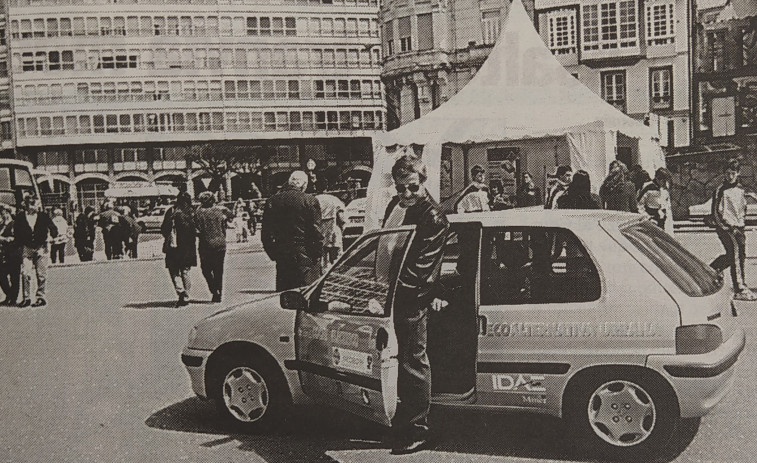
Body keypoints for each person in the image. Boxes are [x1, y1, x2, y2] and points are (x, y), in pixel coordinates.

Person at [381, 155, 450, 455]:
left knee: (412, 361)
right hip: (391, 297)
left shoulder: (432, 217)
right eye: (400, 188)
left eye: (411, 188)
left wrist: (390, 298)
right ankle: (402, 420)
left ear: (423, 182)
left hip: (409, 299)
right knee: (396, 362)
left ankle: (418, 428)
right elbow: (384, 249)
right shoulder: (395, 207)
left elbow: (420, 271)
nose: (406, 194)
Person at [262, 171, 323, 291]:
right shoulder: (310, 200)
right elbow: (316, 231)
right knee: (306, 294)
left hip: (283, 253)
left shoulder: (272, 201)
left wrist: (273, 253)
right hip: (306, 253)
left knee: (285, 296)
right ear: (304, 185)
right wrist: (317, 253)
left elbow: (266, 233)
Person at [710, 159, 757, 301]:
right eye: (728, 173)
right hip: (726, 228)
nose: (730, 176)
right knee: (735, 254)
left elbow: (743, 208)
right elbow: (716, 213)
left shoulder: (742, 189)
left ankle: (711, 270)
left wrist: (741, 224)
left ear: (738, 173)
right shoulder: (720, 190)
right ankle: (740, 288)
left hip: (739, 226)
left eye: (733, 173)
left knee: (739, 255)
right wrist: (728, 227)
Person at [14, 195, 57, 308]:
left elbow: (53, 228)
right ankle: (26, 298)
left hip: (41, 247)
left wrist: (52, 237)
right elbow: (16, 233)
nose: (35, 207)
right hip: (26, 248)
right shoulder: (20, 217)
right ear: (26, 205)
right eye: (32, 204)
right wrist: (19, 247)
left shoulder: (43, 216)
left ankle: (40, 297)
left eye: (36, 204)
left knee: (41, 274)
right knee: (26, 273)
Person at [195, 191, 233, 303]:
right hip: (220, 244)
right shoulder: (219, 211)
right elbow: (224, 227)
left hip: (206, 244)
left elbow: (197, 230)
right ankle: (219, 292)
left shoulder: (199, 213)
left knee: (206, 269)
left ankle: (213, 289)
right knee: (218, 270)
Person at [161, 192, 197, 307]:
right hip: (187, 247)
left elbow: (164, 229)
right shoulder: (192, 212)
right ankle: (187, 296)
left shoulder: (171, 211)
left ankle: (180, 290)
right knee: (185, 271)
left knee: (174, 270)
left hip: (173, 247)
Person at [315, 192, 346, 270]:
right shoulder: (335, 200)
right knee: (336, 254)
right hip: (333, 229)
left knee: (323, 254)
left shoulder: (315, 199)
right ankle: (336, 271)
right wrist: (342, 227)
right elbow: (341, 218)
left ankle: (324, 269)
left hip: (320, 230)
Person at [0, 205, 21, 306]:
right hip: (3, 254)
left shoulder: (15, 224)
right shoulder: (1, 225)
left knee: (14, 277)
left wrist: (4, 239)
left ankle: (13, 299)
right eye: (1, 214)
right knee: (1, 276)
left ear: (8, 213)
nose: (3, 216)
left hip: (13, 253)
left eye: (4, 213)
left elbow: (16, 238)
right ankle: (9, 294)